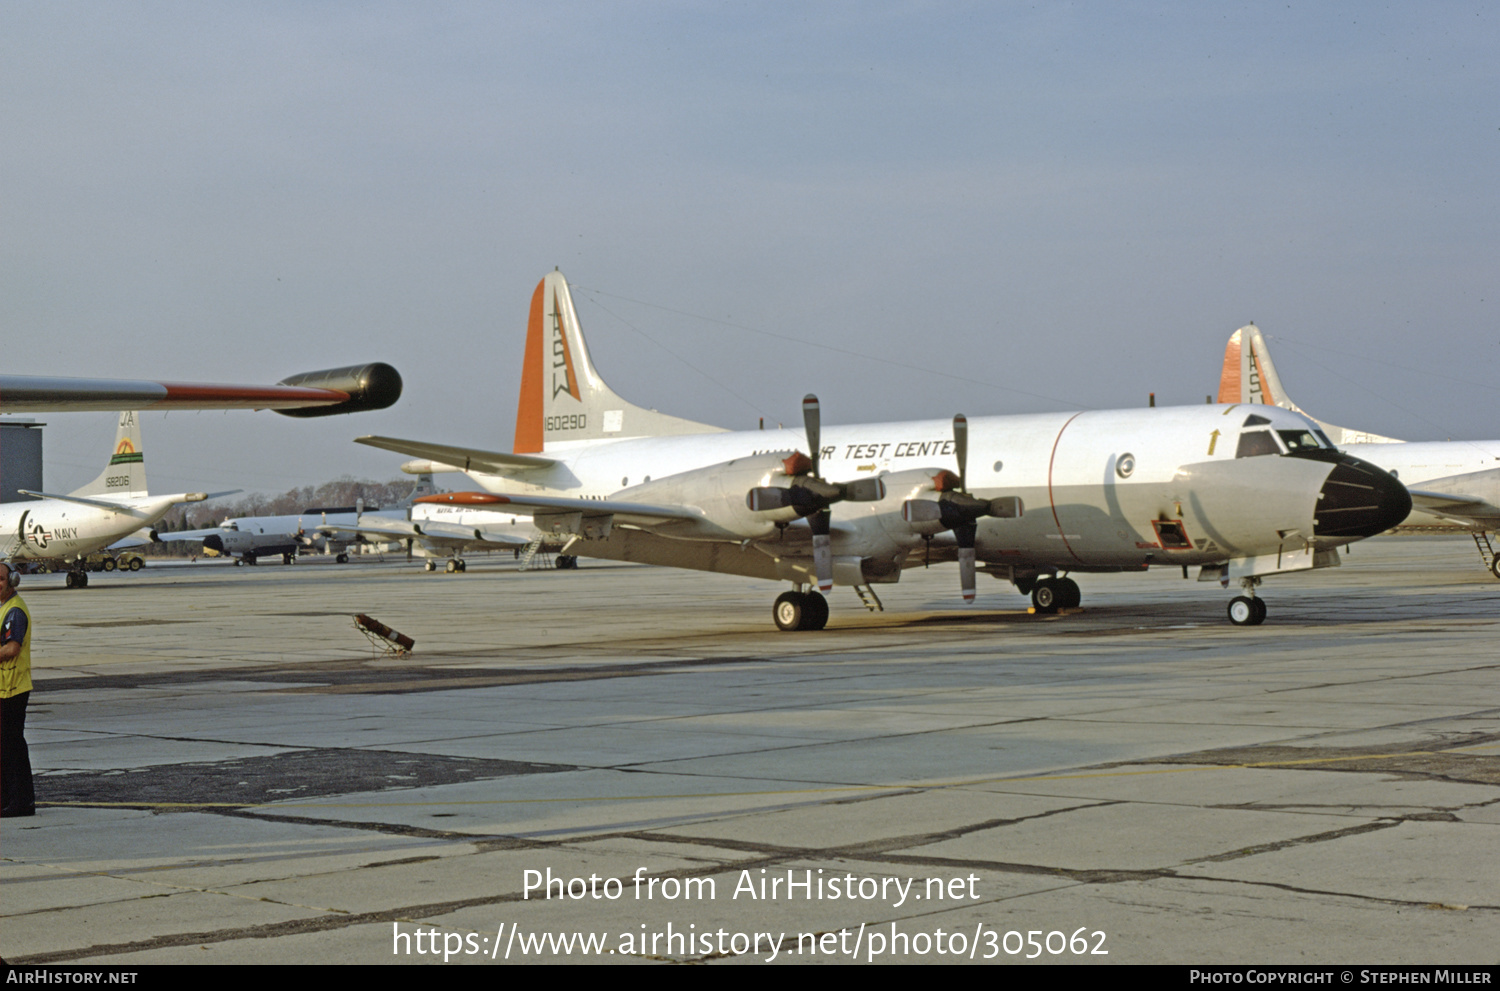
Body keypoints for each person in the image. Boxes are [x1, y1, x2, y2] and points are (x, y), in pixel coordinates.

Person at [0, 560, 35, 817]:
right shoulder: (3, 608)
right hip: (3, 688)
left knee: (12, 745)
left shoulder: (14, 611)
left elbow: (12, 648)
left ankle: (22, 801)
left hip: (13, 688)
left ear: (12, 581)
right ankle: (7, 799)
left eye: (1, 580)